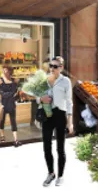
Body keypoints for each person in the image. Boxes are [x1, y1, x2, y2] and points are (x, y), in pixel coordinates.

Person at [40, 59, 73, 187]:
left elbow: (69, 102)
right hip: (47, 115)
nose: (52, 68)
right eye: (50, 66)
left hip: (60, 115)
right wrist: (41, 99)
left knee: (60, 148)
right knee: (46, 147)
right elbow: (38, 97)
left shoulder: (66, 81)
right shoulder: (45, 80)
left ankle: (60, 176)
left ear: (61, 67)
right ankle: (50, 173)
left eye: (55, 66)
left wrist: (70, 122)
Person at [0, 66, 22, 147]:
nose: (4, 71)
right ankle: (2, 136)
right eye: (3, 70)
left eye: (6, 70)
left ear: (10, 71)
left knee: (13, 122)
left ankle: (16, 140)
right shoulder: (0, 80)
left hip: (12, 104)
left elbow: (19, 88)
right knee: (2, 121)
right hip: (3, 104)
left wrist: (18, 93)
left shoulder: (15, 80)